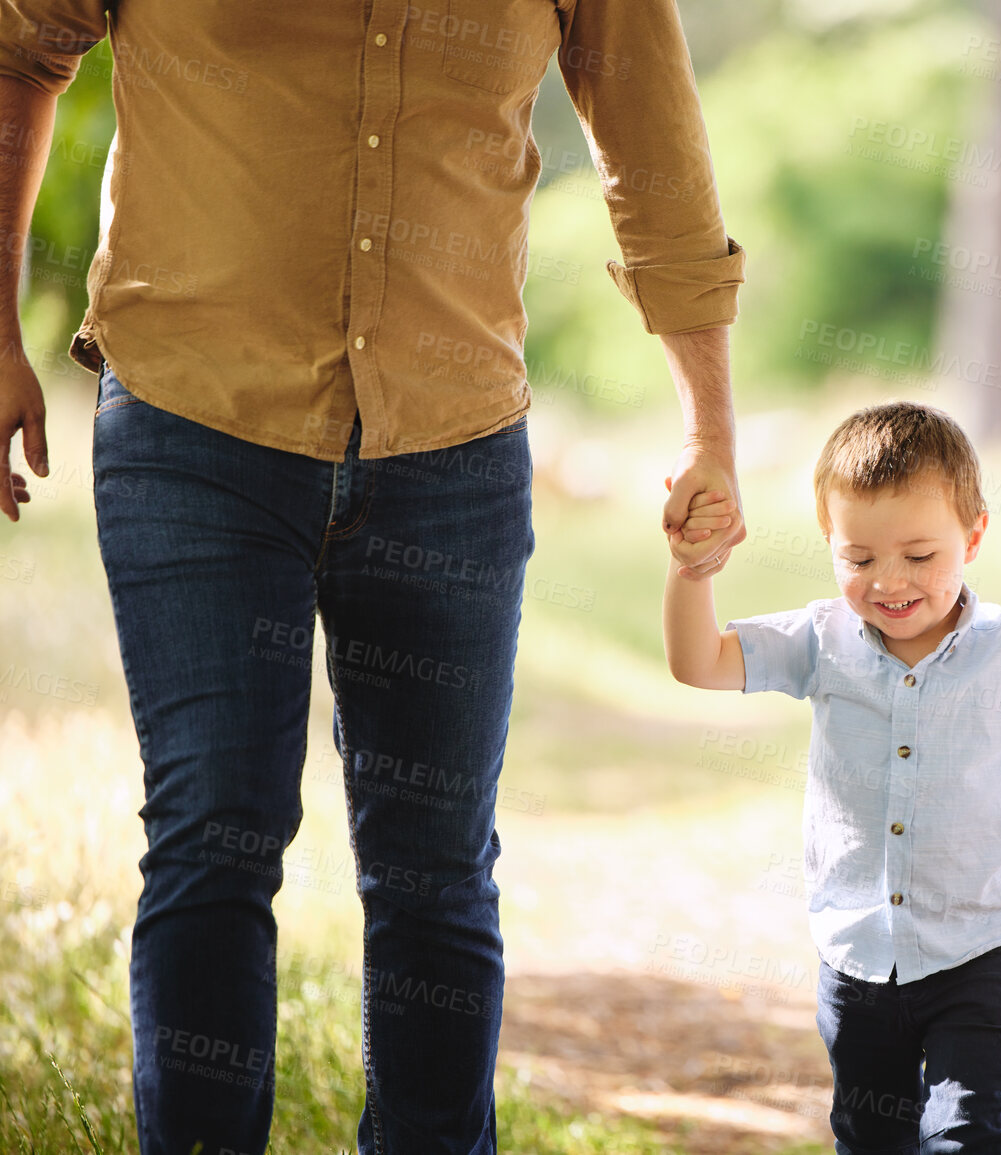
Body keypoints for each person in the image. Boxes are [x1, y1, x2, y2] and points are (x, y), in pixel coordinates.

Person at [0, 3, 745, 1152]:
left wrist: (712, 429)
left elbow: (652, 142)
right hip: (196, 416)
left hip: (448, 441)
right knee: (214, 834)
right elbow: (16, 53)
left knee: (437, 871)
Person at [663, 400, 1001, 1152]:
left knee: (968, 1137)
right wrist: (692, 570)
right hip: (857, 956)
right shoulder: (821, 640)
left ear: (974, 535)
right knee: (872, 1140)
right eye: (858, 558)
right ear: (830, 542)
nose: (888, 581)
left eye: (919, 556)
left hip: (977, 956)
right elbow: (699, 661)